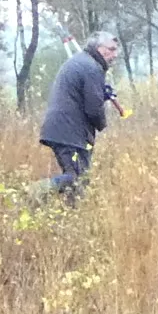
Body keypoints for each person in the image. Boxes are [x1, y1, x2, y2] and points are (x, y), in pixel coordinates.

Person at [39, 31, 123, 199]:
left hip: (64, 130)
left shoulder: (83, 62)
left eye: (116, 50)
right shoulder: (92, 68)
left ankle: (70, 216)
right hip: (69, 133)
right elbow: (93, 108)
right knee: (76, 179)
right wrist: (101, 124)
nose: (115, 55)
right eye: (111, 49)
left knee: (78, 181)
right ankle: (37, 190)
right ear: (99, 48)